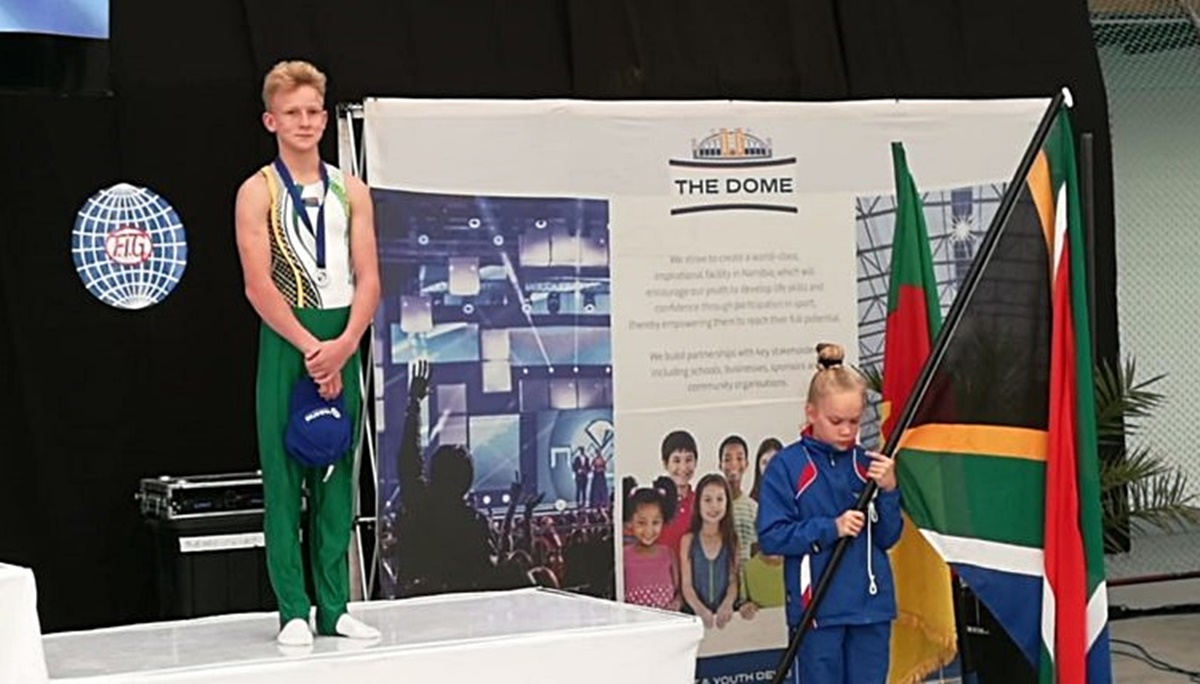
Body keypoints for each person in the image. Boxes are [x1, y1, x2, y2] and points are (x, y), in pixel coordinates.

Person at [234, 60, 381, 646]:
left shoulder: (354, 192)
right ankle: (293, 609)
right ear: (271, 120)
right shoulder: (257, 191)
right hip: (287, 338)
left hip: (341, 334)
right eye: (291, 112)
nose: (304, 122)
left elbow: (369, 278)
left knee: (337, 475)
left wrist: (344, 345)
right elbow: (257, 284)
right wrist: (310, 347)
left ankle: (335, 606)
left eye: (313, 112)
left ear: (325, 117)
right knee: (284, 476)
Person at [756, 343, 902, 683]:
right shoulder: (788, 466)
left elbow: (888, 537)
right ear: (811, 413)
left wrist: (891, 491)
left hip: (871, 608)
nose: (847, 430)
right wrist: (831, 528)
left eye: (854, 421)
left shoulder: (870, 465)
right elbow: (772, 537)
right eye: (836, 421)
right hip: (818, 610)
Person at [679, 473, 739, 630]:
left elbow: (733, 581)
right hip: (694, 619)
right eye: (707, 500)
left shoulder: (732, 540)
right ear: (698, 503)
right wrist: (700, 610)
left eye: (720, 499)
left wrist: (727, 604)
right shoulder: (688, 540)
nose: (714, 506)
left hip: (725, 621)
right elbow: (687, 585)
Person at [622, 475, 680, 611]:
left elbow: (679, 592)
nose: (649, 530)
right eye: (641, 523)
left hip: (668, 626)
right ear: (631, 522)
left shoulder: (668, 554)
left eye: (655, 522)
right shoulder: (623, 556)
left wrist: (676, 604)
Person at [717, 434, 759, 619]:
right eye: (727, 458)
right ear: (720, 465)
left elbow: (757, 551)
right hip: (721, 586)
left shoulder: (753, 507)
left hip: (749, 587)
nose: (733, 463)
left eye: (739, 458)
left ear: (747, 464)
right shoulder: (714, 508)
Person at [656, 430, 698, 556]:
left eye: (689, 459)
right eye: (676, 460)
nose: (683, 467)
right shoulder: (656, 502)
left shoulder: (701, 501)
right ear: (665, 464)